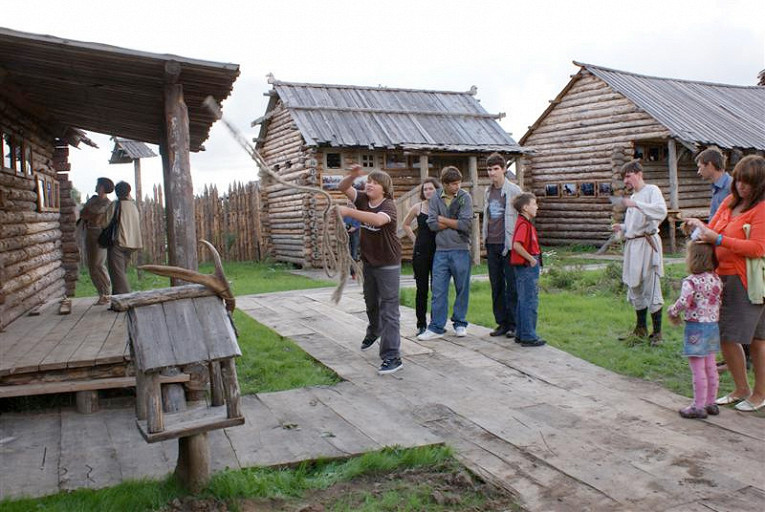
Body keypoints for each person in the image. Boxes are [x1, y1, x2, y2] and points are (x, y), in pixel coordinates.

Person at [685, 155, 765, 413]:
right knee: (736, 337)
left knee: (749, 339)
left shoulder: (761, 208)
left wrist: (718, 240)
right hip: (723, 277)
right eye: (740, 180)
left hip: (745, 279)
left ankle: (759, 393)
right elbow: (713, 228)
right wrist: (700, 229)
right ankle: (742, 388)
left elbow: (758, 247)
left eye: (749, 183)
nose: (742, 186)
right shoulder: (731, 202)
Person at [337, 164, 403, 375]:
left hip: (388, 263)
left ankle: (392, 357)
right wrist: (352, 176)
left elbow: (377, 220)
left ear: (384, 188)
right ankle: (374, 330)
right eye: (369, 182)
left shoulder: (389, 206)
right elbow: (342, 187)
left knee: (389, 310)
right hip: (370, 263)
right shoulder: (363, 199)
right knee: (371, 302)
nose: (370, 185)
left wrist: (349, 211)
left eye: (374, 183)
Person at [612, 160, 668, 345]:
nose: (626, 181)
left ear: (638, 173)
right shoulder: (634, 197)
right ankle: (640, 329)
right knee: (634, 286)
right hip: (633, 246)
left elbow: (661, 212)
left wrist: (636, 205)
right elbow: (634, 225)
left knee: (650, 286)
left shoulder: (652, 190)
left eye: (628, 176)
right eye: (624, 178)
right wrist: (622, 226)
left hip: (647, 244)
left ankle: (657, 334)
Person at [667, 241, 723, 419]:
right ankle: (711, 403)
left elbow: (684, 302)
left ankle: (697, 406)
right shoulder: (716, 279)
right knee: (710, 365)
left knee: (697, 368)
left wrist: (672, 310)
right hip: (713, 326)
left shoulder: (691, 281)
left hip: (696, 328)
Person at [417, 167, 473, 341]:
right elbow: (431, 224)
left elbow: (465, 224)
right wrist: (451, 222)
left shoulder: (465, 198)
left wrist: (443, 219)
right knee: (439, 290)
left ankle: (460, 323)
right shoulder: (435, 198)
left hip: (461, 249)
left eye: (459, 183)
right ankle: (436, 327)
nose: (457, 186)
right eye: (454, 184)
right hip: (441, 251)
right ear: (445, 184)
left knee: (462, 289)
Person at [482, 153, 522, 337]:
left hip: (509, 244)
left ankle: (514, 324)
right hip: (492, 243)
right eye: (489, 169)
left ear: (504, 169)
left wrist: (519, 242)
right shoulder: (488, 192)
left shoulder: (514, 191)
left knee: (511, 285)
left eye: (496, 169)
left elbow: (524, 217)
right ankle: (502, 323)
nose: (492, 173)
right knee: (496, 284)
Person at [402, 178, 441, 335]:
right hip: (421, 253)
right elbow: (405, 224)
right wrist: (414, 240)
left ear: (437, 190)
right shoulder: (417, 207)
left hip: (438, 253)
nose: (428, 191)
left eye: (431, 189)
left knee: (437, 290)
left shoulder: (441, 207)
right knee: (422, 289)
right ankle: (421, 324)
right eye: (425, 189)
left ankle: (435, 323)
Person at [510, 193, 546, 347]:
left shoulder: (524, 222)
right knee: (530, 301)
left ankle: (521, 333)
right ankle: (528, 336)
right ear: (525, 207)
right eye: (534, 204)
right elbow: (517, 245)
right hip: (527, 267)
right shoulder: (524, 225)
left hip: (524, 267)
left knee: (523, 300)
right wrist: (531, 259)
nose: (537, 207)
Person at [79, 177, 114, 305]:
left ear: (103, 187)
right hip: (89, 232)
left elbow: (98, 217)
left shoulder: (108, 203)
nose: (96, 186)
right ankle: (101, 293)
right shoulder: (93, 199)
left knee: (98, 264)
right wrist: (92, 215)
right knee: (92, 266)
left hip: (100, 234)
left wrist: (92, 214)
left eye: (98, 185)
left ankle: (107, 293)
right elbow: (83, 214)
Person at [106, 181, 142, 295]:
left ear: (117, 192)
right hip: (132, 243)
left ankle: (126, 298)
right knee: (120, 272)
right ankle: (116, 299)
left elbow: (104, 222)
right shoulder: (133, 206)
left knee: (118, 274)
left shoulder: (116, 205)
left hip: (119, 242)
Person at [695, 147, 732, 220]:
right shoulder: (716, 188)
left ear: (709, 165)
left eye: (700, 167)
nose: (698, 172)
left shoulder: (732, 186)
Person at [344, 214, 360, 279]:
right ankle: (346, 272)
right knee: (346, 252)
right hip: (346, 232)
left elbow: (360, 220)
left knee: (354, 252)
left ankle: (354, 272)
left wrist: (355, 226)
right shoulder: (346, 213)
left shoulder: (358, 209)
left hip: (355, 232)